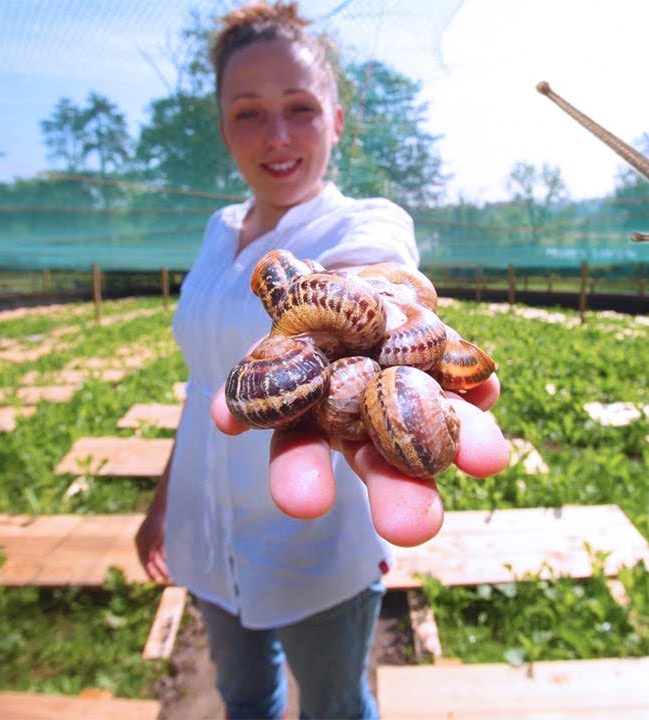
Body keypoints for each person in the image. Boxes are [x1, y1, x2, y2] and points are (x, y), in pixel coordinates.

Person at [133, 3, 507, 718]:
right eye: (248, 113)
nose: (276, 137)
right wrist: (164, 503)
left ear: (336, 121)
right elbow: (202, 388)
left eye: (300, 109)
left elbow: (375, 275)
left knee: (335, 704)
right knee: (243, 695)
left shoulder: (363, 222)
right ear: (223, 128)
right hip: (204, 532)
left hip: (310, 545)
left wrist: (385, 316)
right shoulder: (218, 233)